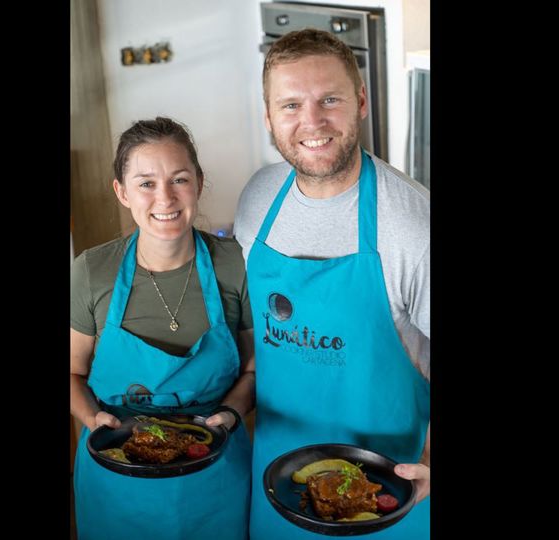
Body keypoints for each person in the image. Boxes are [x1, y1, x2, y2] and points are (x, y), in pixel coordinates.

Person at [233, 29, 430, 539]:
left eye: (330, 100)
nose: (312, 122)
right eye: (291, 104)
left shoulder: (413, 224)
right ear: (269, 116)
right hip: (279, 488)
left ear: (361, 101)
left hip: (387, 496)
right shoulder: (256, 201)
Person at [71, 117, 255, 540]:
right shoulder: (92, 270)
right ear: (121, 192)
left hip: (215, 470)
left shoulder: (234, 263)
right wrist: (92, 418)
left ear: (199, 183)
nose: (166, 197)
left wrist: (229, 414)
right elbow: (72, 373)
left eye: (179, 179)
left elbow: (252, 371)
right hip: (116, 472)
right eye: (146, 183)